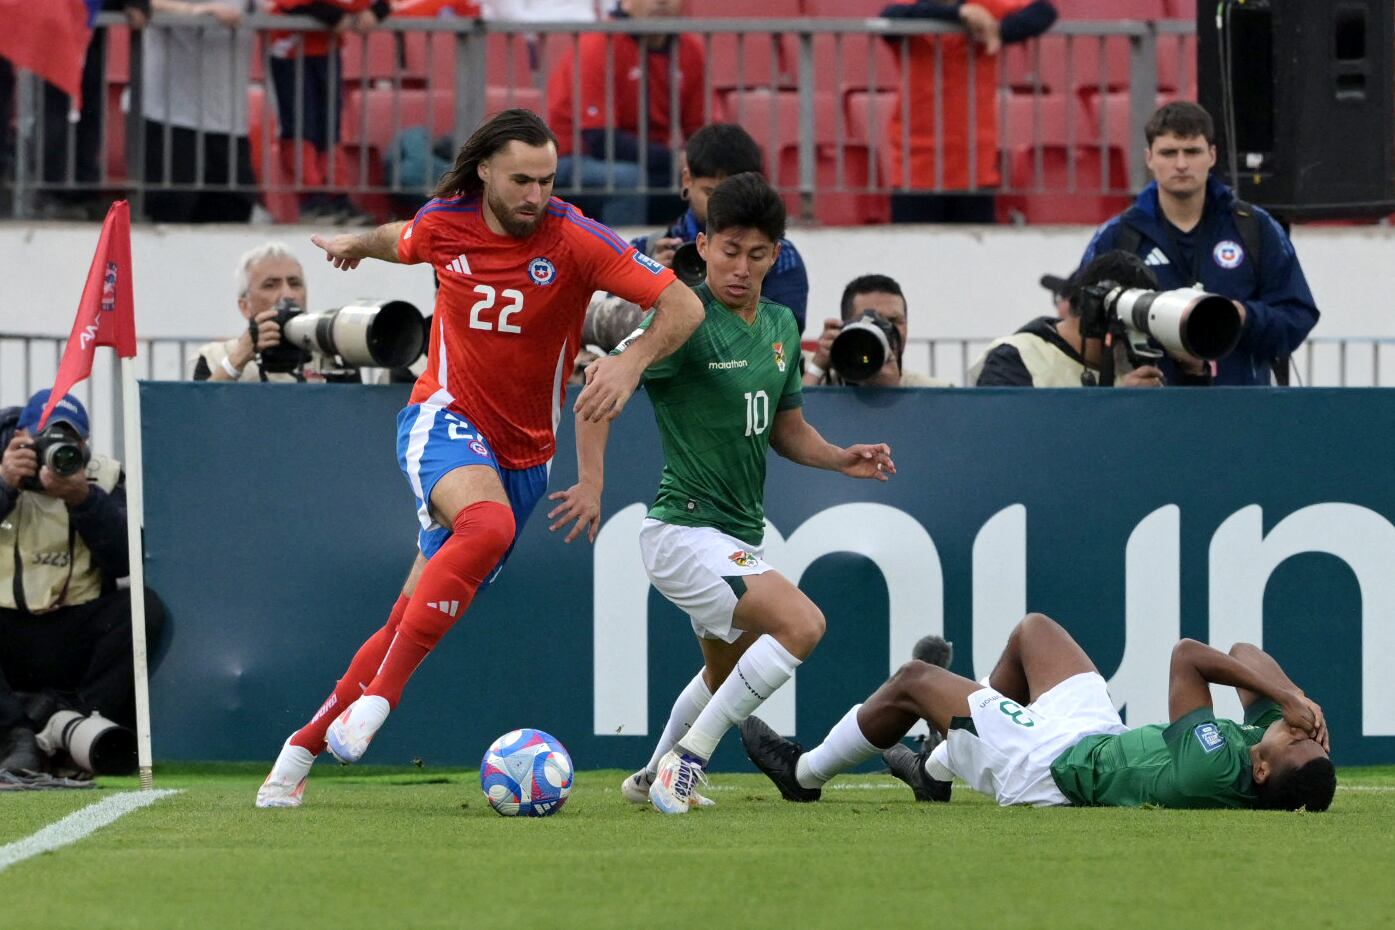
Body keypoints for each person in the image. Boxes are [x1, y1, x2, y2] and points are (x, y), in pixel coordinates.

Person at [255, 108, 704, 808]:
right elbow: (396, 237)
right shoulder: (445, 222)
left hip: (525, 456)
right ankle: (381, 704)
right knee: (485, 527)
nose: (534, 194)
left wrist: (632, 361)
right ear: (486, 172)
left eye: (546, 180)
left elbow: (681, 305)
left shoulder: (576, 237)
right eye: (521, 179)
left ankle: (297, 751)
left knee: (409, 615)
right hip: (443, 417)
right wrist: (354, 244)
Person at [547, 172, 896, 814]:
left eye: (757, 254)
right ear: (702, 245)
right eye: (729, 250)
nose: (741, 267)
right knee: (802, 623)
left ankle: (650, 772)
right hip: (682, 531)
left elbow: (786, 429)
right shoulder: (682, 320)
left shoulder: (782, 327)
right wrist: (592, 485)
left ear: (776, 256)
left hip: (733, 534)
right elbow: (598, 389)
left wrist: (839, 458)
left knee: (721, 675)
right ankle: (688, 761)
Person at [741, 613, 1335, 812]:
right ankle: (938, 761)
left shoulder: (1212, 768)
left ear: (1261, 771)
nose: (1291, 727)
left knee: (915, 681)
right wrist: (1297, 697)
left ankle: (804, 776)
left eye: (1293, 736)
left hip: (1049, 769)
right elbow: (1245, 656)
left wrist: (1285, 699)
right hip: (1097, 736)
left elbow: (1189, 658)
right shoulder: (1270, 755)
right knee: (1034, 632)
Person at [1078, 102, 1319, 386]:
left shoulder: (1254, 227)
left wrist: (1242, 316)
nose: (1181, 164)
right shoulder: (1118, 235)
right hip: (1149, 412)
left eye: (1192, 151)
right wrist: (1121, 383)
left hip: (1240, 411)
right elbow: (1083, 326)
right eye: (1169, 153)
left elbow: (1298, 315)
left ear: (1212, 155)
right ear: (1149, 158)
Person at [0, 391, 165, 777]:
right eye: (42, 439)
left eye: (66, 441)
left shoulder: (102, 476)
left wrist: (83, 499)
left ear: (84, 445)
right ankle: (15, 736)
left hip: (72, 627)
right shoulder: (2, 469)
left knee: (143, 608)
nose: (52, 451)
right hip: (6, 625)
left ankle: (81, 726)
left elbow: (129, 561)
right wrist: (6, 486)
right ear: (19, 436)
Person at [879, 1, 1057, 223]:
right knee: (913, 253)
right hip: (917, 169)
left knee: (975, 253)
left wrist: (995, 31)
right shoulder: (916, 8)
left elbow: (1043, 11)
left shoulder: (986, 7)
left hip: (975, 167)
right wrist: (960, 14)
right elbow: (890, 16)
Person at [631, 124, 809, 331]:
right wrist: (648, 285)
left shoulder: (781, 256)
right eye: (710, 193)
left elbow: (783, 336)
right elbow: (614, 333)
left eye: (755, 256)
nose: (719, 205)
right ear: (687, 179)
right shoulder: (644, 250)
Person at [546, 0, 707, 227]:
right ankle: (624, 260)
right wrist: (673, 160)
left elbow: (698, 130)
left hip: (649, 161)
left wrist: (707, 161)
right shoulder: (599, 43)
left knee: (717, 174)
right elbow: (601, 140)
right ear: (626, 3)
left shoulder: (690, 49)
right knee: (628, 178)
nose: (661, 2)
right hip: (572, 159)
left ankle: (705, 257)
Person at [969, 250, 1203, 387]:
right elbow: (1013, 441)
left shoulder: (1139, 361)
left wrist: (1193, 375)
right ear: (1090, 312)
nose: (1128, 339)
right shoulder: (1017, 358)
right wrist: (1119, 404)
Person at [268, 0, 390, 223]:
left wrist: (374, 13)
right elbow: (291, 5)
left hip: (328, 50)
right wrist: (335, 16)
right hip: (291, 52)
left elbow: (382, 4)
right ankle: (312, 200)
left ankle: (336, 197)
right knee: (301, 127)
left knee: (330, 128)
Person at [141, 1, 256, 223]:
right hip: (169, 118)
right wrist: (191, 12)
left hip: (229, 124)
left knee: (234, 215)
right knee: (169, 216)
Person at [191, 242, 313, 382]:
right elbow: (201, 402)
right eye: (270, 285)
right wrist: (237, 361)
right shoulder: (216, 357)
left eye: (294, 283)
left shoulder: (327, 355)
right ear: (245, 307)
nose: (288, 294)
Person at [804, 274, 949, 387]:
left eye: (893, 321)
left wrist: (894, 392)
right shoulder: (808, 374)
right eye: (870, 321)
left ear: (906, 325)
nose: (884, 331)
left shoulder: (932, 393)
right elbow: (788, 421)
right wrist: (817, 369)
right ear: (845, 327)